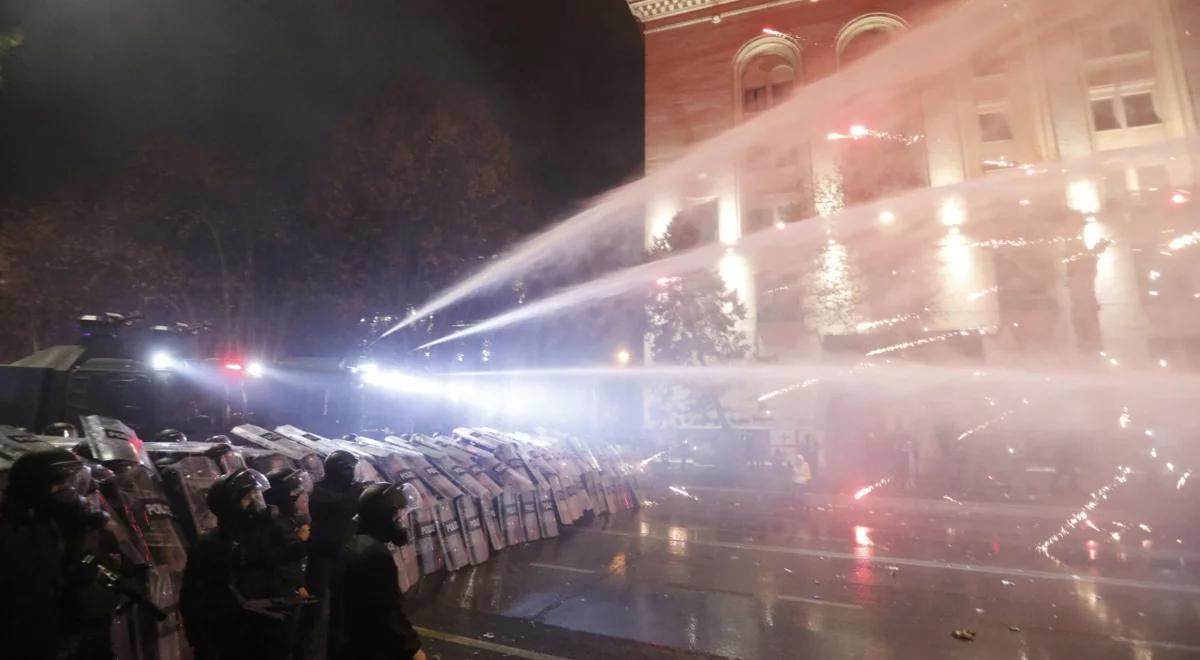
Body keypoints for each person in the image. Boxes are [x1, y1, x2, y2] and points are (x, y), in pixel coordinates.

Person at [180, 468, 304, 660]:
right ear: (230, 505)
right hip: (232, 632)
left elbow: (290, 563)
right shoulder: (212, 543)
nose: (256, 502)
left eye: (257, 494)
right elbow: (194, 595)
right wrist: (199, 638)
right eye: (248, 498)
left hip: (270, 630)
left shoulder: (271, 531)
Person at [0, 449, 111, 660]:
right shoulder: (18, 533)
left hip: (50, 631)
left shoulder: (53, 522)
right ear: (38, 486)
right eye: (62, 485)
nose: (70, 492)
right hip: (22, 636)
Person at [330, 483, 426, 660]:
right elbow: (387, 612)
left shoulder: (354, 541)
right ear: (383, 517)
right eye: (396, 518)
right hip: (371, 648)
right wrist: (412, 648)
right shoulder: (375, 555)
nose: (400, 523)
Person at [306, 451, 365, 659]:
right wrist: (357, 492)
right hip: (323, 557)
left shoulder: (346, 490)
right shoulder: (320, 491)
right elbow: (341, 505)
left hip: (342, 556)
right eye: (349, 468)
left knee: (342, 611)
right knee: (315, 611)